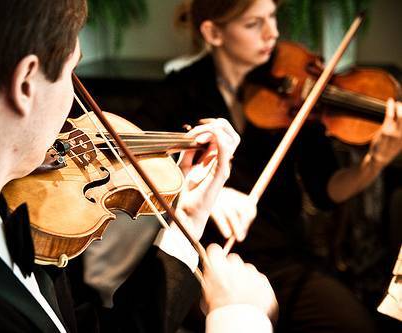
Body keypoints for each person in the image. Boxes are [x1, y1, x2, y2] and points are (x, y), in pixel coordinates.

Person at [0, 1, 278, 332]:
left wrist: (187, 218)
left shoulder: (14, 208)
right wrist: (239, 320)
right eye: (71, 73)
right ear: (26, 85)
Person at [134, 0, 402, 332]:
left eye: (273, 17)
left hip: (283, 260)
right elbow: (132, 157)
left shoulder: (294, 88)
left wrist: (374, 163)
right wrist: (210, 195)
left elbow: (326, 190)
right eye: (253, 24)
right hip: (208, 265)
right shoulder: (178, 93)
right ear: (213, 32)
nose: (272, 33)